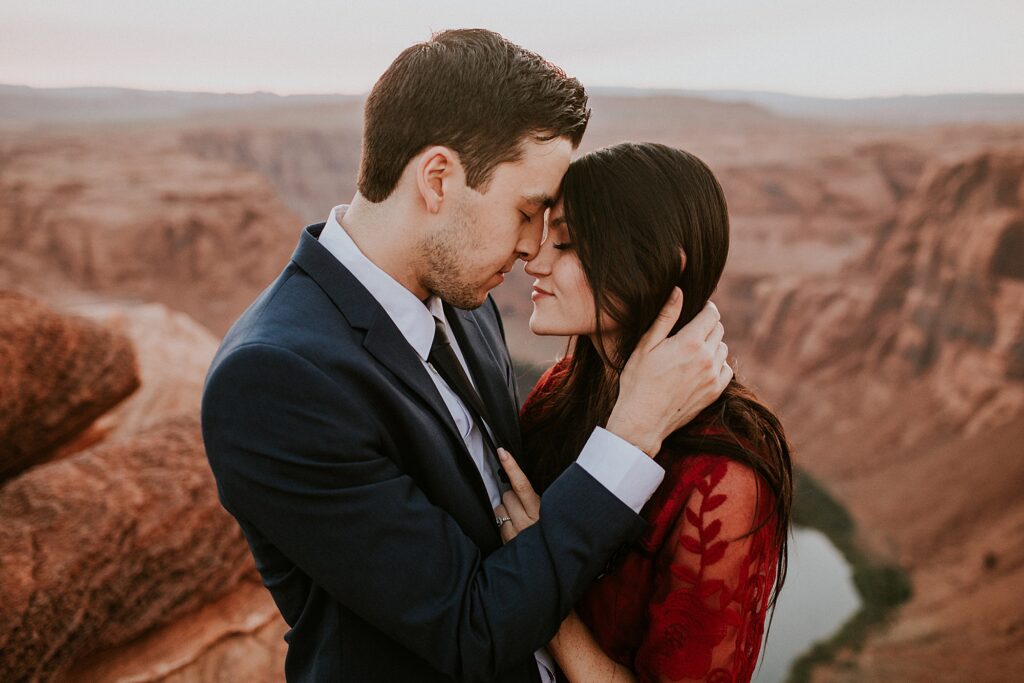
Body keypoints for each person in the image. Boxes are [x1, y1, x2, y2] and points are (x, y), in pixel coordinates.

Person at [200, 31, 733, 682]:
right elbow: (469, 632)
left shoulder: (464, 301)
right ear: (438, 179)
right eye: (528, 211)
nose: (535, 249)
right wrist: (632, 433)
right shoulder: (276, 381)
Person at [494, 142, 793, 682]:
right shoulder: (560, 392)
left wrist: (541, 593)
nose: (534, 260)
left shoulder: (725, 480)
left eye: (564, 243)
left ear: (658, 265)